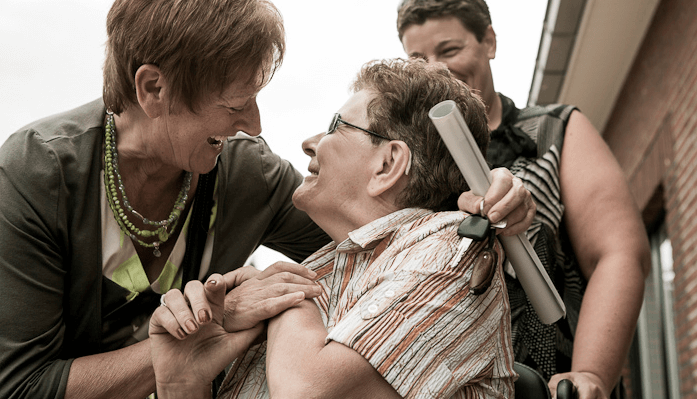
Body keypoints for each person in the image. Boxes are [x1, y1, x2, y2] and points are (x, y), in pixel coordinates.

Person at [0, 0, 533, 399]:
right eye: (235, 101)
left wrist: (492, 200)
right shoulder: (39, 171)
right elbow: (19, 385)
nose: (254, 126)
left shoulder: (246, 175)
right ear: (154, 89)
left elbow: (397, 222)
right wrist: (207, 334)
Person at [148, 58, 516, 399]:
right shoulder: (329, 263)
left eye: (335, 128)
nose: (309, 144)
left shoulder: (450, 254)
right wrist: (183, 382)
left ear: (388, 164)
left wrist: (285, 294)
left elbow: (304, 391)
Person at [395, 0, 652, 399]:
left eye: (450, 49)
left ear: (489, 42)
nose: (436, 69)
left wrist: (589, 375)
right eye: (418, 59)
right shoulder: (410, 164)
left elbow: (619, 254)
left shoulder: (554, 131)